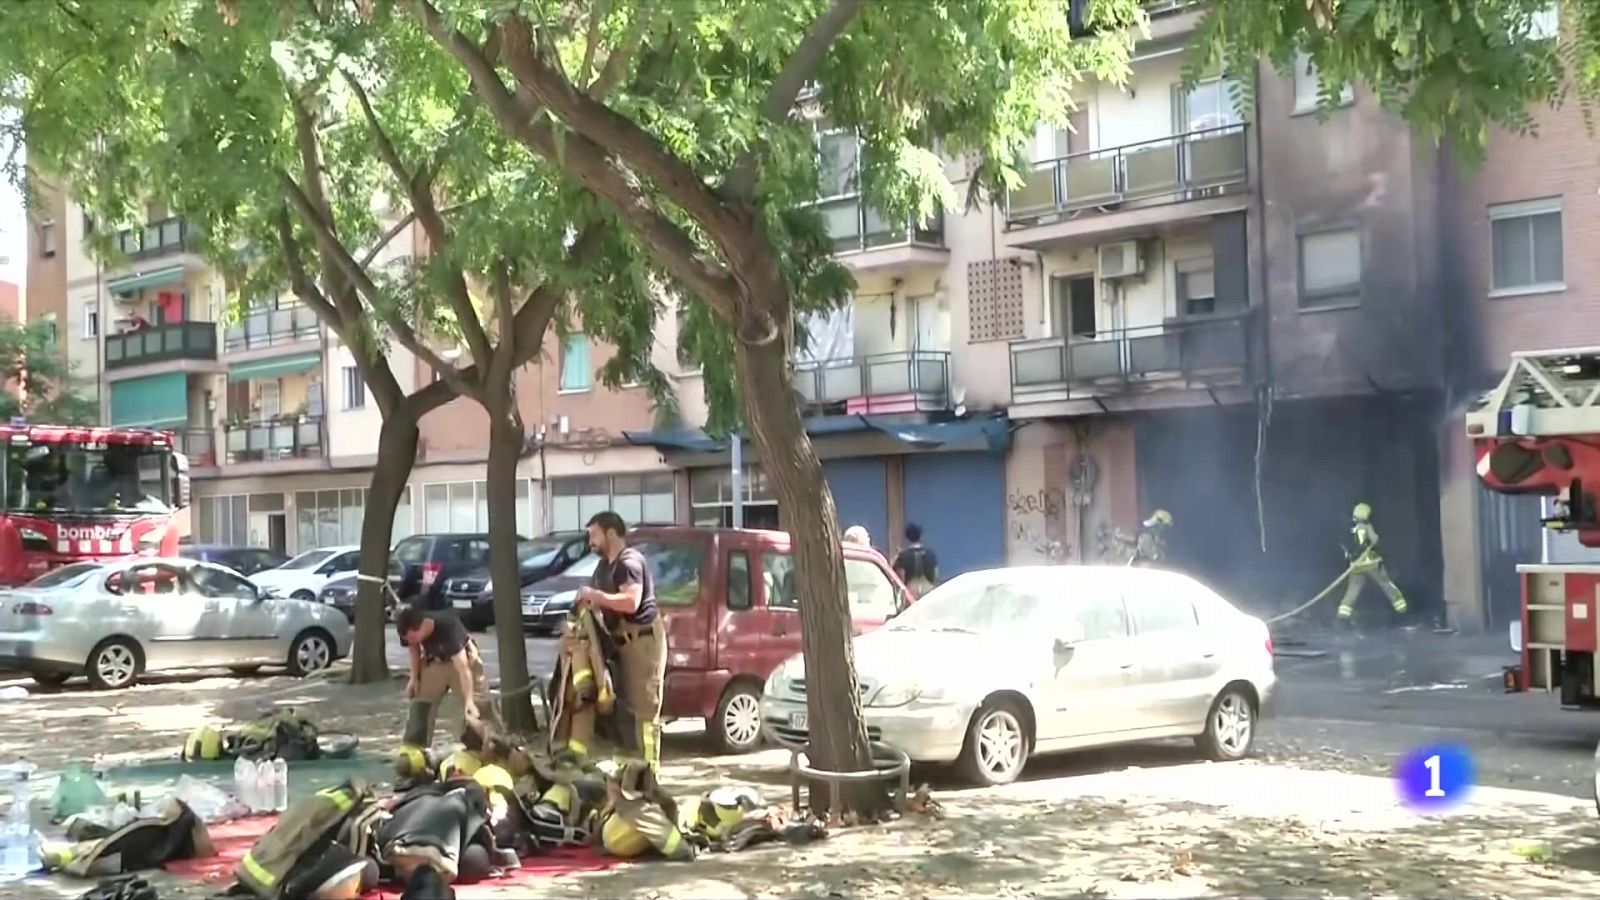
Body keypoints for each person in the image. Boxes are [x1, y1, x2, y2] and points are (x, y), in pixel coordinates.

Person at [576, 511, 667, 773]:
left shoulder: (629, 562)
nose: (590, 540)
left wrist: (596, 595)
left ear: (611, 533)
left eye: (594, 534)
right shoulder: (604, 566)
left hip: (643, 642)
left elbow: (631, 602)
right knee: (623, 709)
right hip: (620, 644)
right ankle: (631, 770)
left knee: (644, 713)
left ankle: (651, 773)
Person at [395, 605, 500, 758]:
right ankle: (414, 752)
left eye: (412, 637)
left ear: (423, 625)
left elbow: (463, 668)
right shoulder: (407, 627)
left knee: (478, 707)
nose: (410, 640)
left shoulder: (448, 626)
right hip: (434, 660)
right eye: (407, 639)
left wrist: (469, 700)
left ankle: (492, 748)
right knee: (420, 702)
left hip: (462, 662)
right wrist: (414, 677)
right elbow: (414, 648)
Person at [1337, 501, 1408, 627]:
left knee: (1353, 590)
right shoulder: (1366, 526)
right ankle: (1402, 611)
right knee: (1386, 584)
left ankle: (1342, 617)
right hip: (1372, 563)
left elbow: (1345, 547)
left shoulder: (1348, 529)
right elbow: (1374, 541)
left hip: (1356, 565)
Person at [892, 523, 939, 598]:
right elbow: (935, 576)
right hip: (928, 592)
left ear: (906, 538)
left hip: (911, 594)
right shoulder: (931, 554)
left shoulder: (903, 556)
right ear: (920, 537)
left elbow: (899, 579)